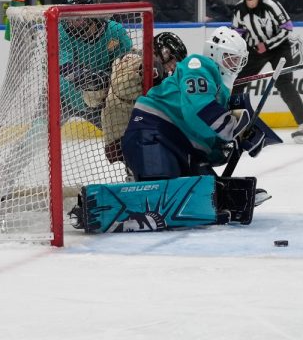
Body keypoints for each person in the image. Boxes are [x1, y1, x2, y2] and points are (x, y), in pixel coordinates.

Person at [67, 27, 279, 232]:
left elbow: (207, 143)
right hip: (152, 135)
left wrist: (236, 144)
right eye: (231, 59)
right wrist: (231, 128)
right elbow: (196, 107)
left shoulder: (220, 93)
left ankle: (223, 197)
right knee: (163, 191)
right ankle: (93, 207)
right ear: (216, 53)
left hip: (180, 148)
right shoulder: (199, 65)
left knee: (207, 188)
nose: (235, 66)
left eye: (239, 61)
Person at [232, 0, 303, 144]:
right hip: (255, 50)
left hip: (279, 48)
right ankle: (233, 123)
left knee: (284, 83)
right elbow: (237, 33)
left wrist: (268, 44)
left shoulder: (270, 5)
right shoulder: (239, 9)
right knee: (237, 83)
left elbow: (287, 27)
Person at [101, 31, 188, 164]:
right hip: (120, 132)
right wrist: (142, 71)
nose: (173, 66)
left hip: (141, 129)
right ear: (160, 52)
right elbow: (121, 86)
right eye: (173, 60)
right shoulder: (132, 58)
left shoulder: (165, 75)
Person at [58, 0, 133, 128]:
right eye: (69, 14)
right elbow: (64, 66)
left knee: (120, 136)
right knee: (37, 133)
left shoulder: (115, 31)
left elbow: (127, 62)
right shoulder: (60, 31)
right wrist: (95, 79)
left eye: (78, 14)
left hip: (100, 100)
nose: (73, 19)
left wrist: (107, 82)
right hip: (63, 97)